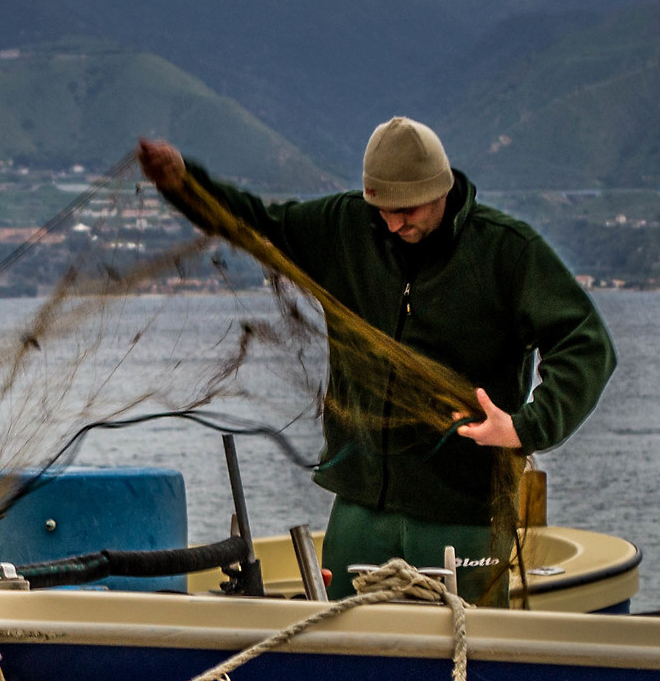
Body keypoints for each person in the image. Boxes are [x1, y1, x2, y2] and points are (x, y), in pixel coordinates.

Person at [139, 119, 615, 599]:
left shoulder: (506, 250)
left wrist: (524, 427)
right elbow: (256, 221)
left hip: (464, 511)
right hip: (360, 505)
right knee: (344, 634)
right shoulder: (345, 226)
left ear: (440, 190)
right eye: (381, 209)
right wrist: (185, 186)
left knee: (468, 640)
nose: (392, 224)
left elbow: (586, 342)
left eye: (406, 210)